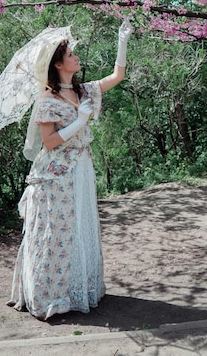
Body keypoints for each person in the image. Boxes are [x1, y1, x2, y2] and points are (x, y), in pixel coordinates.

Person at [7, 18, 133, 320]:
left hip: (81, 169)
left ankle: (80, 289)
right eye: (72, 55)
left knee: (80, 228)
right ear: (59, 64)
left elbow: (118, 75)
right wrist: (79, 122)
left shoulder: (85, 91)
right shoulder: (47, 100)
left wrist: (122, 41)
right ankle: (51, 294)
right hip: (56, 175)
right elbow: (49, 142)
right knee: (57, 231)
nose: (77, 57)